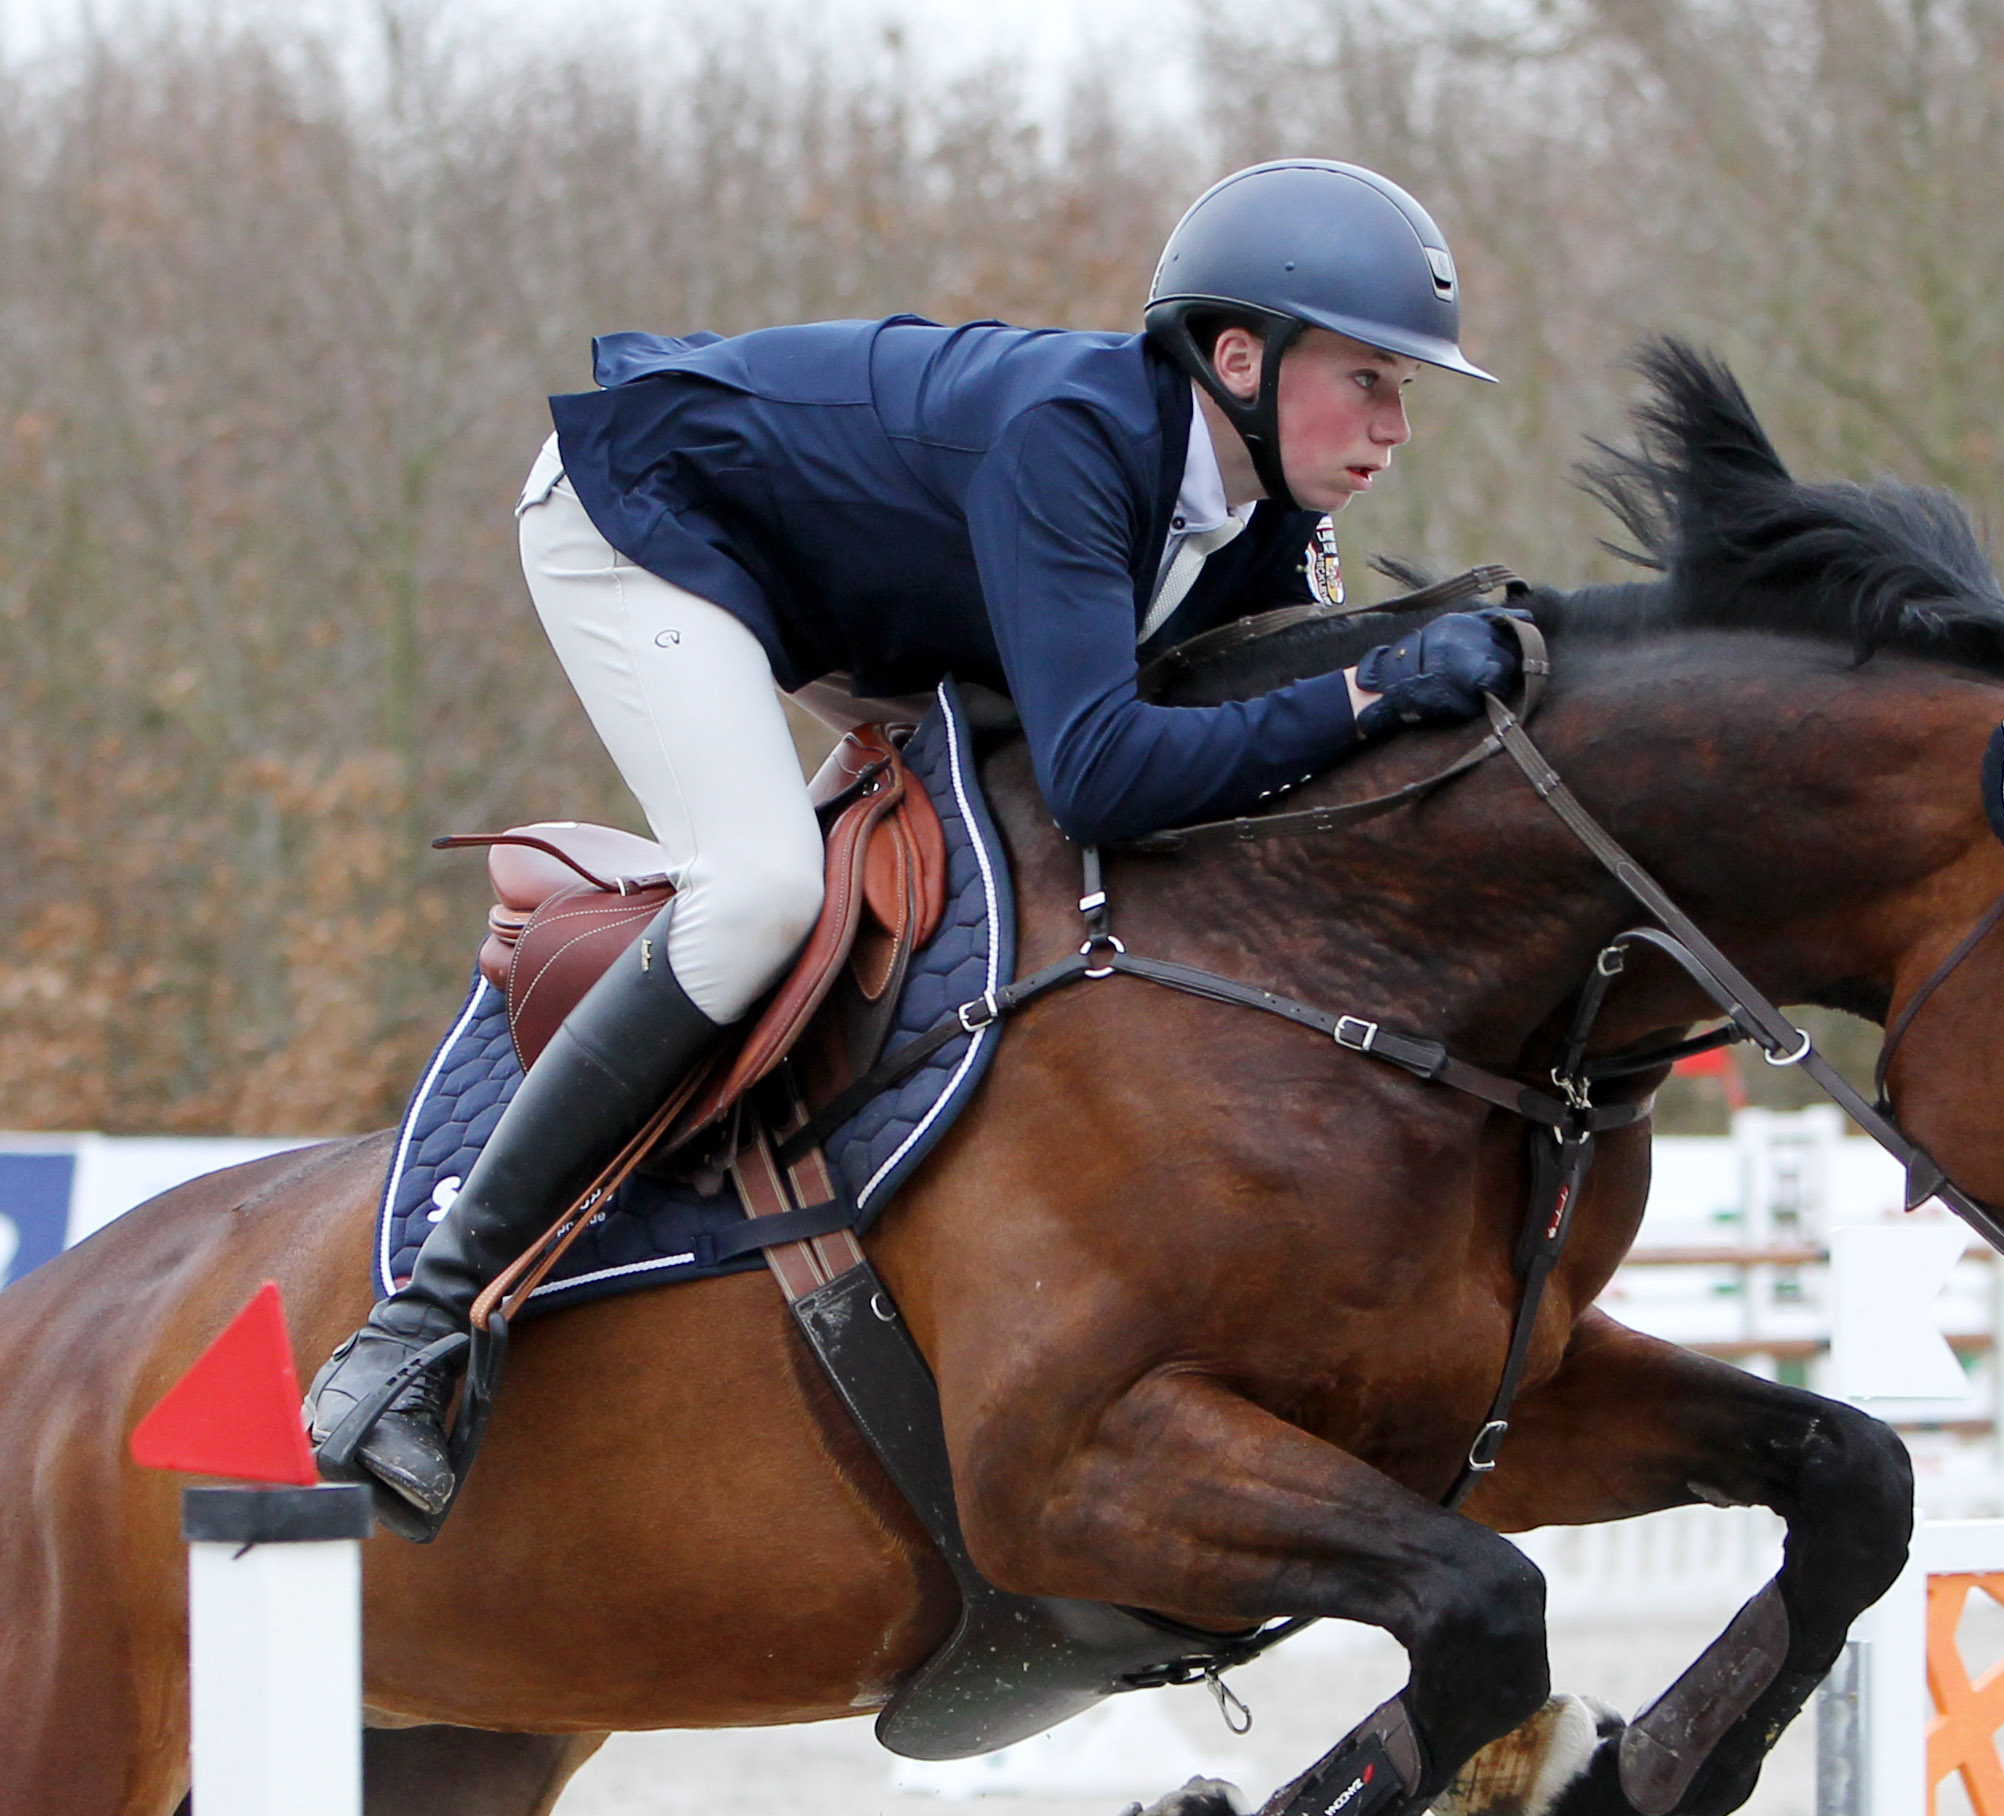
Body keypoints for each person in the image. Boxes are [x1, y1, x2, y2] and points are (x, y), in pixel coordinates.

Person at [306, 157, 1532, 1537]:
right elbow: (1108, 777)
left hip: (867, 589)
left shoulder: (1260, 515)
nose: (1393, 425)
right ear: (1238, 356)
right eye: (1369, 377)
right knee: (763, 888)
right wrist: (1373, 691)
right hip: (652, 517)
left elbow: (1242, 734)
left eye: (1405, 391)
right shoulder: (1078, 443)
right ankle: (418, 1328)